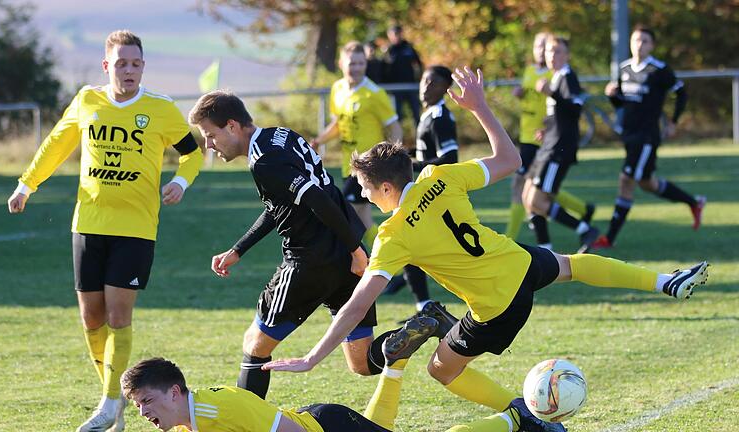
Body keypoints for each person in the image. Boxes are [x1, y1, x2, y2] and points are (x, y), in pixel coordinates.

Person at [263, 66, 709, 432]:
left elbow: (357, 305)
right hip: (519, 261)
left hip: (496, 305)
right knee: (574, 265)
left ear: (384, 186)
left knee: (441, 370)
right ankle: (664, 281)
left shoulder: (393, 235)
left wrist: (311, 357)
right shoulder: (439, 176)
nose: (363, 196)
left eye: (364, 189)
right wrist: (480, 107)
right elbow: (511, 161)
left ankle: (524, 418)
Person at [6, 30, 203, 432]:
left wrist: (180, 183)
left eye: (135, 63)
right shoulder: (87, 100)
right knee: (91, 318)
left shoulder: (160, 109)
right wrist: (27, 184)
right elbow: (57, 143)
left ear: (143, 67)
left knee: (117, 314)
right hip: (88, 223)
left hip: (135, 228)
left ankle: (111, 401)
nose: (128, 70)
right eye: (121, 63)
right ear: (106, 66)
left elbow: (193, 153)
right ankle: (114, 402)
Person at [188, 90, 411, 400]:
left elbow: (316, 198)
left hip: (310, 261)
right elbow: (282, 204)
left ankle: (246, 422)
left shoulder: (264, 162)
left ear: (232, 126)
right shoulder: (280, 135)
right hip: (343, 248)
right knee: (360, 361)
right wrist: (239, 249)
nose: (209, 145)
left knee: (255, 344)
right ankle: (418, 329)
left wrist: (356, 252)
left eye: (211, 135)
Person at [122, 317, 546, 432]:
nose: (143, 413)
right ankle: (395, 361)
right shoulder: (186, 426)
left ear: (176, 392)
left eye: (147, 402)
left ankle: (515, 418)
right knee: (380, 427)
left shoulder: (223, 406)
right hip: (324, 420)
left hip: (325, 425)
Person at [591, 25, 702, 250]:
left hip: (647, 137)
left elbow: (681, 93)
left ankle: (608, 238)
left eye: (644, 41)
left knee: (626, 180)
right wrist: (613, 96)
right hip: (630, 135)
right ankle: (694, 202)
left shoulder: (659, 70)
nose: (639, 45)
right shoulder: (624, 69)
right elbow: (625, 103)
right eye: (635, 40)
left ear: (652, 45)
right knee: (647, 183)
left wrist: (673, 122)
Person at [311, 41, 402, 249]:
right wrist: (319, 141)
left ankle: (368, 262)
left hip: (367, 166)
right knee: (362, 220)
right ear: (341, 63)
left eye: (361, 63)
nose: (356, 68)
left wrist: (391, 157)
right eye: (352, 63)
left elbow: (395, 127)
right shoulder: (338, 89)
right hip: (348, 164)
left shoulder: (374, 94)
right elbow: (338, 124)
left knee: (347, 215)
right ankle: (397, 259)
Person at [383, 65, 458, 314]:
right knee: (415, 248)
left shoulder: (441, 118)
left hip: (434, 195)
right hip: (424, 193)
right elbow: (430, 153)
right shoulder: (429, 114)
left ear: (445, 88)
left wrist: (412, 165)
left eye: (433, 83)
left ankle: (422, 304)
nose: (426, 87)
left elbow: (450, 158)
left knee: (414, 247)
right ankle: (422, 304)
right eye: (424, 81)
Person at [506, 32, 594, 241]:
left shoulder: (567, 77)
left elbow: (575, 109)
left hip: (558, 149)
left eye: (557, 51)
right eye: (549, 51)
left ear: (567, 55)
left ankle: (586, 231)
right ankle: (546, 249)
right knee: (528, 197)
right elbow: (562, 114)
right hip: (549, 143)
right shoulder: (555, 76)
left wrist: (551, 94)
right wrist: (548, 127)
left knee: (537, 201)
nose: (551, 55)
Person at [384, 24, 423, 126]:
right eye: (394, 34)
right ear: (389, 35)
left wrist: (419, 79)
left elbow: (418, 65)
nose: (397, 36)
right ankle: (397, 141)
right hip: (395, 88)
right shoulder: (388, 50)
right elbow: (383, 69)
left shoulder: (409, 47)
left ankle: (420, 140)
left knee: (416, 115)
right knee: (397, 117)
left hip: (410, 86)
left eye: (398, 33)